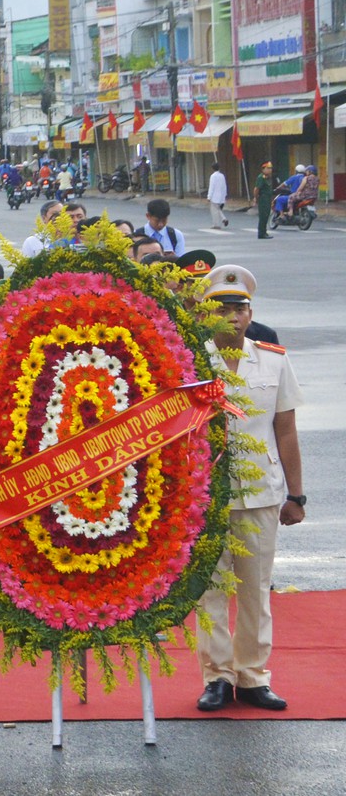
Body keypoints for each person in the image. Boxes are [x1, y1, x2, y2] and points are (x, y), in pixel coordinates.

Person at [196, 265, 305, 712]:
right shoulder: (190, 360)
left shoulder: (273, 359)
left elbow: (286, 431)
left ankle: (253, 676)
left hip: (261, 493)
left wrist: (296, 495)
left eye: (238, 308)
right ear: (207, 315)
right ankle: (217, 677)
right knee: (211, 589)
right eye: (221, 308)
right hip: (205, 495)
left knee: (257, 589)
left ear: (250, 313)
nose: (231, 316)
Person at [255, 161, 277, 241]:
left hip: (267, 198)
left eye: (270, 168)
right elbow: (256, 189)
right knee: (263, 216)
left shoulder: (268, 177)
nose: (270, 170)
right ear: (263, 169)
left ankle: (264, 232)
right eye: (268, 168)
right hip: (263, 199)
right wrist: (256, 198)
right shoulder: (261, 177)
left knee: (266, 215)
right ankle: (261, 233)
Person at [207, 165, 230, 230]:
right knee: (218, 209)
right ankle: (223, 219)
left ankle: (216, 225)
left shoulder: (213, 176)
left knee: (214, 212)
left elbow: (211, 187)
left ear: (212, 168)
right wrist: (224, 195)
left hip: (214, 196)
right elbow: (224, 186)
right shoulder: (222, 176)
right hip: (221, 196)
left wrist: (209, 196)